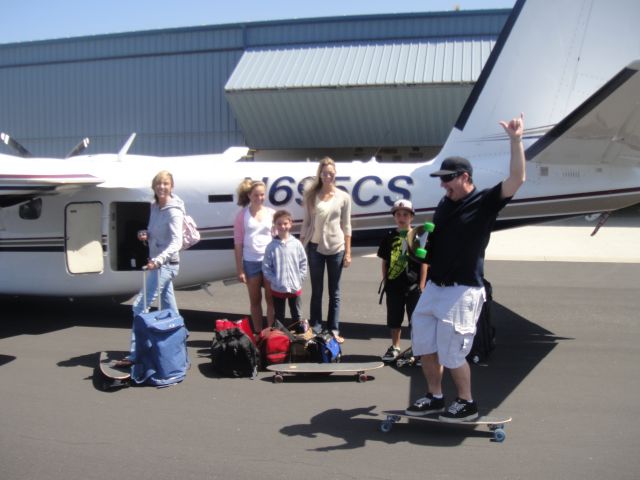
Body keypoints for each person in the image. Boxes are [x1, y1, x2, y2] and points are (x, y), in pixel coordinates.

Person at [405, 113, 526, 422]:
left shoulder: (485, 202)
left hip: (462, 291)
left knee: (452, 353)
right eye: (442, 179)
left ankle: (467, 403)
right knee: (425, 346)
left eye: (448, 178)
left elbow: (516, 180)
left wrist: (516, 141)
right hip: (434, 287)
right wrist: (421, 246)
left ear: (464, 176)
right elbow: (437, 239)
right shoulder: (446, 203)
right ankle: (434, 396)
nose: (443, 184)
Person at [116, 170, 185, 367]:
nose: (162, 187)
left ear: (171, 186)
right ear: (154, 187)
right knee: (170, 308)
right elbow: (158, 234)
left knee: (139, 305)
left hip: (165, 265)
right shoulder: (155, 207)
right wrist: (147, 235)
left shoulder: (173, 211)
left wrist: (159, 260)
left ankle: (136, 353)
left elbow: (176, 242)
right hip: (158, 262)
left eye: (166, 184)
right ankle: (176, 345)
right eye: (158, 184)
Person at [300, 157, 352, 343]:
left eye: (330, 173)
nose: (327, 176)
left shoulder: (343, 197)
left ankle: (333, 329)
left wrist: (348, 252)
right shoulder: (311, 196)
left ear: (335, 174)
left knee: (334, 292)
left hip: (336, 248)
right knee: (316, 290)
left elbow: (347, 226)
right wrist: (301, 246)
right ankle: (316, 327)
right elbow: (306, 223)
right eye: (324, 173)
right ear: (320, 175)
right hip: (315, 247)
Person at [377, 199, 428, 362]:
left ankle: (417, 349)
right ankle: (395, 346)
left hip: (413, 286)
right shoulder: (389, 236)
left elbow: (424, 263)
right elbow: (384, 261)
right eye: (398, 214)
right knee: (394, 318)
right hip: (394, 285)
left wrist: (422, 285)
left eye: (405, 214)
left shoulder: (418, 236)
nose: (401, 217)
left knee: (416, 319)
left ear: (411, 217)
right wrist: (386, 281)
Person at [233, 179, 275, 333]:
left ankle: (270, 333)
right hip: (251, 262)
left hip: (269, 262)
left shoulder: (271, 214)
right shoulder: (242, 216)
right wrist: (240, 269)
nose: (259, 198)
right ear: (249, 195)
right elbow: (238, 243)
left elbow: (277, 239)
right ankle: (258, 333)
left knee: (271, 299)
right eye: (256, 195)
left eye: (262, 195)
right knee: (255, 300)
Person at [262, 209, 308, 326]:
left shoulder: (297, 244)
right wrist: (275, 280)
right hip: (278, 289)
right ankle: (281, 341)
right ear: (275, 225)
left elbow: (303, 262)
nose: (282, 226)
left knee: (297, 315)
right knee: (279, 317)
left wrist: (299, 278)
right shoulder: (271, 246)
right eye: (279, 224)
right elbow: (266, 268)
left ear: (290, 224)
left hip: (294, 287)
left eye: (285, 223)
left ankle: (298, 340)